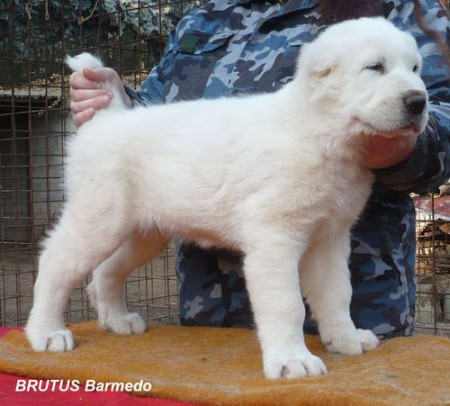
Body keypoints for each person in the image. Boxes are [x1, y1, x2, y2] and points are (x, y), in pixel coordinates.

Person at [69, 0, 450, 339]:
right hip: (210, 314)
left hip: (367, 305)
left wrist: (405, 143)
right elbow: (161, 116)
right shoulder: (207, 16)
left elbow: (440, 114)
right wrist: (117, 101)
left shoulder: (400, 8)